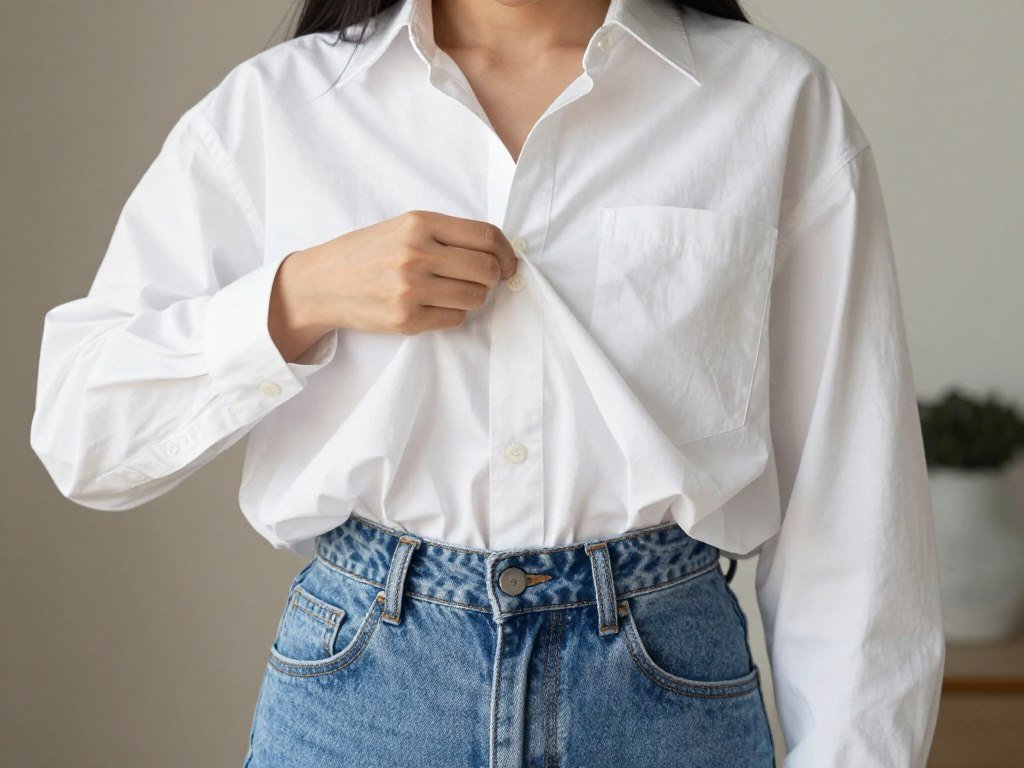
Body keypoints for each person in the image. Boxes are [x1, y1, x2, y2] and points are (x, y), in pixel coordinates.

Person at [28, 0, 946, 765]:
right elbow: (83, 435)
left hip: (666, 693)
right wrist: (297, 297)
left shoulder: (771, 102)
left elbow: (855, 512)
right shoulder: (281, 110)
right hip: (364, 693)